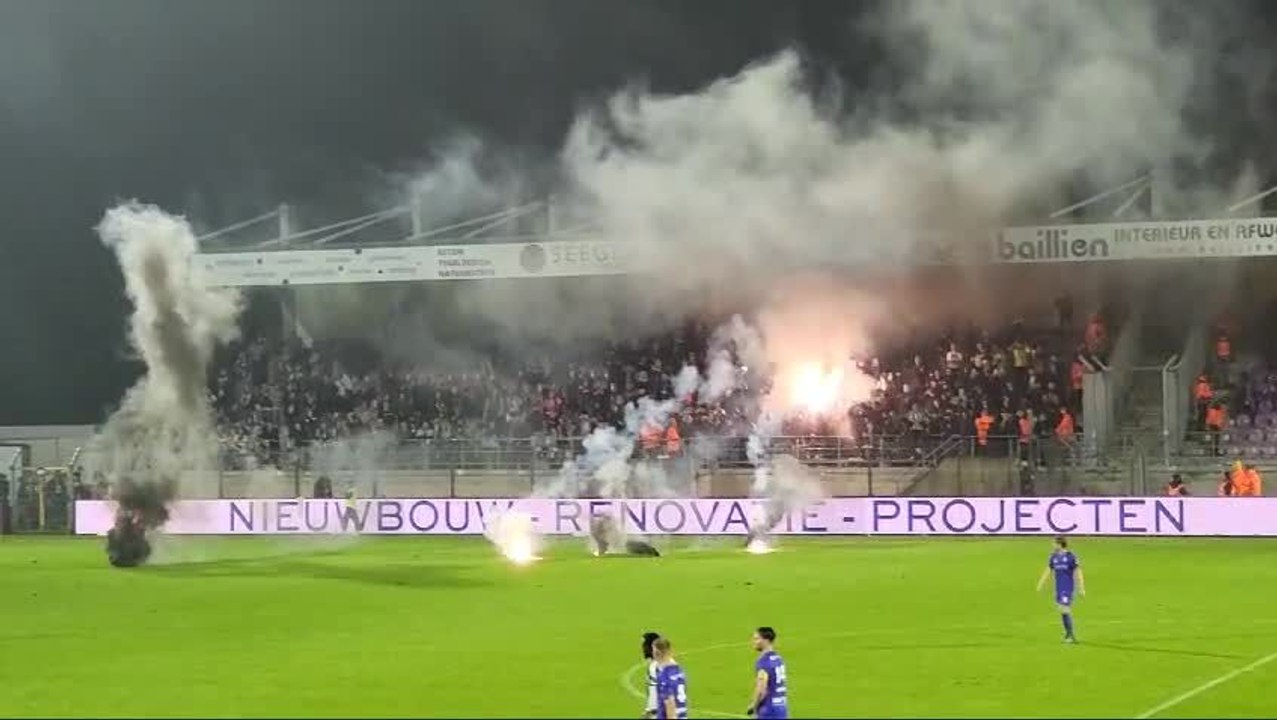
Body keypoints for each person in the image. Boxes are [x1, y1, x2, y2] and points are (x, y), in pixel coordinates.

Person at [1036, 536, 1085, 643]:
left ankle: (1071, 635)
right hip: (1058, 589)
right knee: (1062, 610)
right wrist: (1041, 583)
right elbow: (1048, 570)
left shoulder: (1070, 557)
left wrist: (1081, 588)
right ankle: (1068, 634)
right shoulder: (1054, 557)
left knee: (1064, 609)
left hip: (1067, 588)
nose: (1052, 545)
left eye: (1054, 543)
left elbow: (1078, 572)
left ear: (1059, 544)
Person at [746, 627, 788, 719]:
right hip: (782, 708)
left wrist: (754, 706)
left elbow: (761, 689)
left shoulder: (763, 662)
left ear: (766, 640)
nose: (753, 641)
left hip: (768, 710)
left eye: (757, 639)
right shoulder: (779, 659)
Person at [652, 637, 688, 720]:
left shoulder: (664, 676)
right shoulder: (679, 671)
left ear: (657, 652)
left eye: (653, 650)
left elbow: (670, 703)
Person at [641, 632, 662, 719]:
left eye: (644, 644)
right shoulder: (665, 663)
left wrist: (650, 710)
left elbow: (655, 690)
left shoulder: (655, 667)